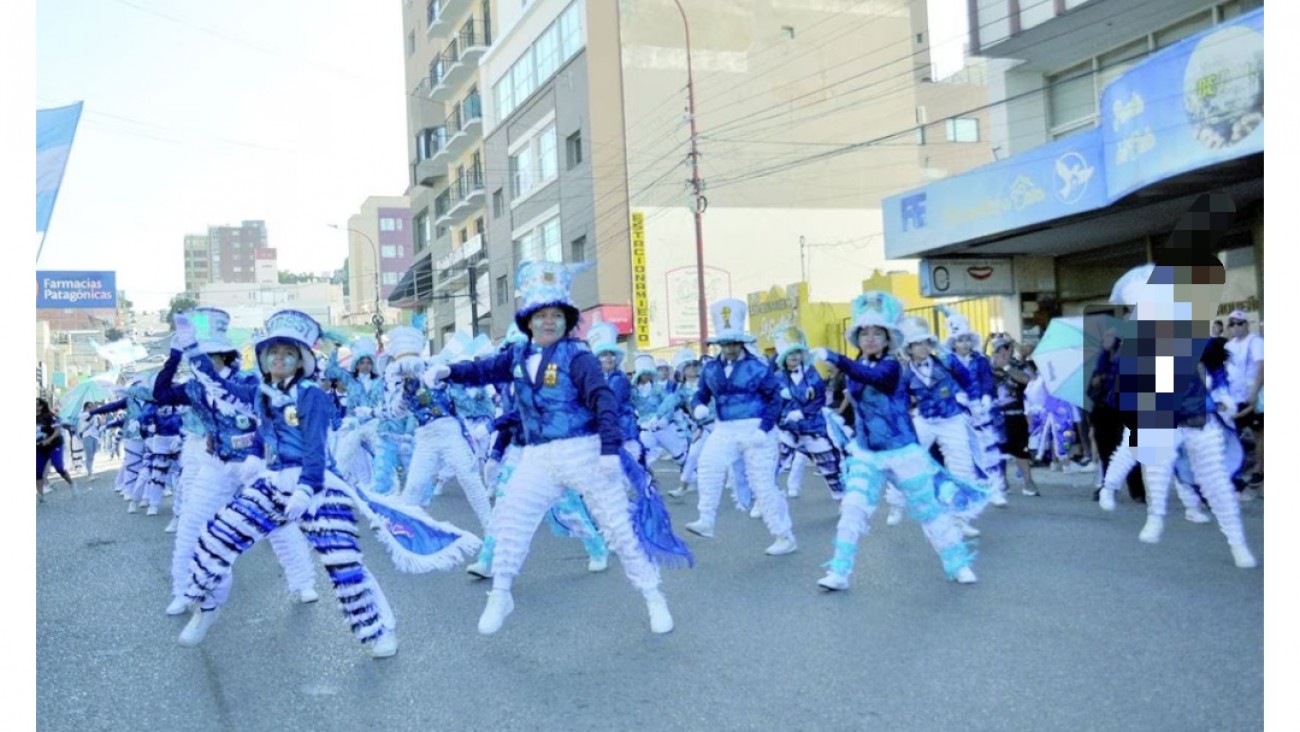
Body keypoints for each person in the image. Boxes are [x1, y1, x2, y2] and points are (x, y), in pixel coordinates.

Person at [428, 261, 683, 635]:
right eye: (541, 315)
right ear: (528, 321)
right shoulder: (516, 357)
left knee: (618, 528)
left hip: (583, 450)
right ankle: (500, 594)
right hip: (537, 455)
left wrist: (610, 449)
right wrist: (450, 371)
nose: (549, 321)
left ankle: (653, 596)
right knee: (511, 519)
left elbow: (602, 399)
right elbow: (482, 370)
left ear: (566, 321)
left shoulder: (577, 356)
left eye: (556, 315)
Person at [173, 309, 400, 657]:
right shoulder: (261, 392)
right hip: (274, 482)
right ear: (264, 359)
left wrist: (306, 489)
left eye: (288, 353)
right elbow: (219, 385)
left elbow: (315, 448)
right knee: (216, 537)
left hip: (318, 485)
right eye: (273, 353)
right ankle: (207, 608)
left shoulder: (312, 395)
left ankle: (379, 629)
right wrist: (191, 348)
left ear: (300, 361)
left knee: (344, 563)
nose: (279, 358)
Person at [153, 307, 319, 617]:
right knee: (190, 526)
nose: (204, 361)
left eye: (210, 355)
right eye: (200, 355)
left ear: (224, 355)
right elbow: (160, 394)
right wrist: (175, 353)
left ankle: (303, 582)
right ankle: (182, 590)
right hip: (216, 465)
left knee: (279, 526)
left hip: (256, 467)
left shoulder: (249, 381)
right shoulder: (194, 387)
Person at [809, 292, 980, 590]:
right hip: (867, 452)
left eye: (878, 333)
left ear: (889, 339)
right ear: (858, 338)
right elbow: (859, 378)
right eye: (865, 333)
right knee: (852, 509)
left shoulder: (892, 366)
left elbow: (874, 377)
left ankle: (958, 564)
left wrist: (836, 358)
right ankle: (839, 572)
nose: (871, 338)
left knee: (928, 509)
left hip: (902, 451)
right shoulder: (858, 367)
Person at [684, 298, 797, 556]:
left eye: (734, 342)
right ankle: (706, 520)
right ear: (719, 345)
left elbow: (776, 398)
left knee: (762, 484)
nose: (730, 348)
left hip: (756, 428)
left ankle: (784, 535)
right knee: (708, 465)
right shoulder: (711, 368)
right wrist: (698, 405)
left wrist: (764, 428)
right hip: (724, 428)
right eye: (725, 343)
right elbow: (700, 394)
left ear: (741, 343)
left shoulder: (757, 367)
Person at [771, 327, 843, 501]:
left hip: (813, 427)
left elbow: (818, 399)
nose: (794, 356)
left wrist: (803, 413)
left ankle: (841, 496)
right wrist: (781, 417)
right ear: (783, 358)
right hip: (788, 428)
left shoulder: (811, 373)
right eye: (790, 353)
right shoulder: (777, 377)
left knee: (828, 463)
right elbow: (774, 403)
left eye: (797, 352)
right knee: (775, 463)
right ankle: (763, 499)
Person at [1089, 327, 1146, 504]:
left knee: (1131, 450)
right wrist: (1097, 382)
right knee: (1107, 452)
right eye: (1105, 336)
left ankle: (1137, 490)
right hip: (1105, 410)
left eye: (1110, 337)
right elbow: (1092, 389)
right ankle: (1108, 487)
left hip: (1126, 408)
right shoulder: (1102, 360)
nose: (1106, 339)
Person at [989, 335, 1041, 497]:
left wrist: (1006, 368)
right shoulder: (987, 367)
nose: (1005, 351)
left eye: (1007, 348)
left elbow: (1029, 380)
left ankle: (1028, 483)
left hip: (1016, 414)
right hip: (996, 417)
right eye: (1000, 349)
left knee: (1021, 451)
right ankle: (1002, 482)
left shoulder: (1017, 365)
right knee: (997, 452)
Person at [1223, 309, 1263, 497]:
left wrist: (1254, 393)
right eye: (1232, 323)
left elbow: (1261, 367)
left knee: (1259, 435)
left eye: (1239, 323)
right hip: (1234, 398)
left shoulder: (1255, 342)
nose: (1235, 327)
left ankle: (1259, 470)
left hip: (1251, 397)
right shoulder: (1229, 346)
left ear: (1247, 324)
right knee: (1233, 435)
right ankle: (1235, 472)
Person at [37, 398, 76, 502]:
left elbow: (57, 430)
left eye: (36, 404)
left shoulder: (49, 416)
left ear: (41, 406)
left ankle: (72, 484)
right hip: (40, 447)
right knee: (37, 471)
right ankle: (40, 496)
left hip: (54, 444)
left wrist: (49, 440)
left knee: (59, 467)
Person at [78, 402, 103, 482]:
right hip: (87, 436)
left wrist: (100, 420)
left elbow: (99, 425)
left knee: (92, 455)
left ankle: (91, 471)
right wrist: (93, 416)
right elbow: (87, 423)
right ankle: (89, 474)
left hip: (95, 436)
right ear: (86, 407)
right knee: (89, 456)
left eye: (93, 406)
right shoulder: (82, 415)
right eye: (90, 407)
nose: (92, 408)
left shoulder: (96, 415)